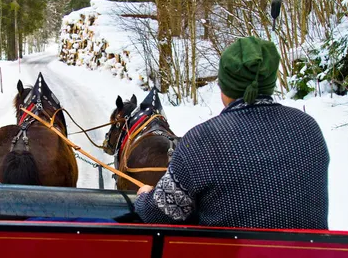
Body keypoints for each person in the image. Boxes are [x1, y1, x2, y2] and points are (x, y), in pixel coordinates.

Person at [134, 36, 329, 229]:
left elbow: (158, 214)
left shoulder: (202, 140)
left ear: (225, 87)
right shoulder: (308, 128)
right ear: (270, 83)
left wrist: (144, 196)